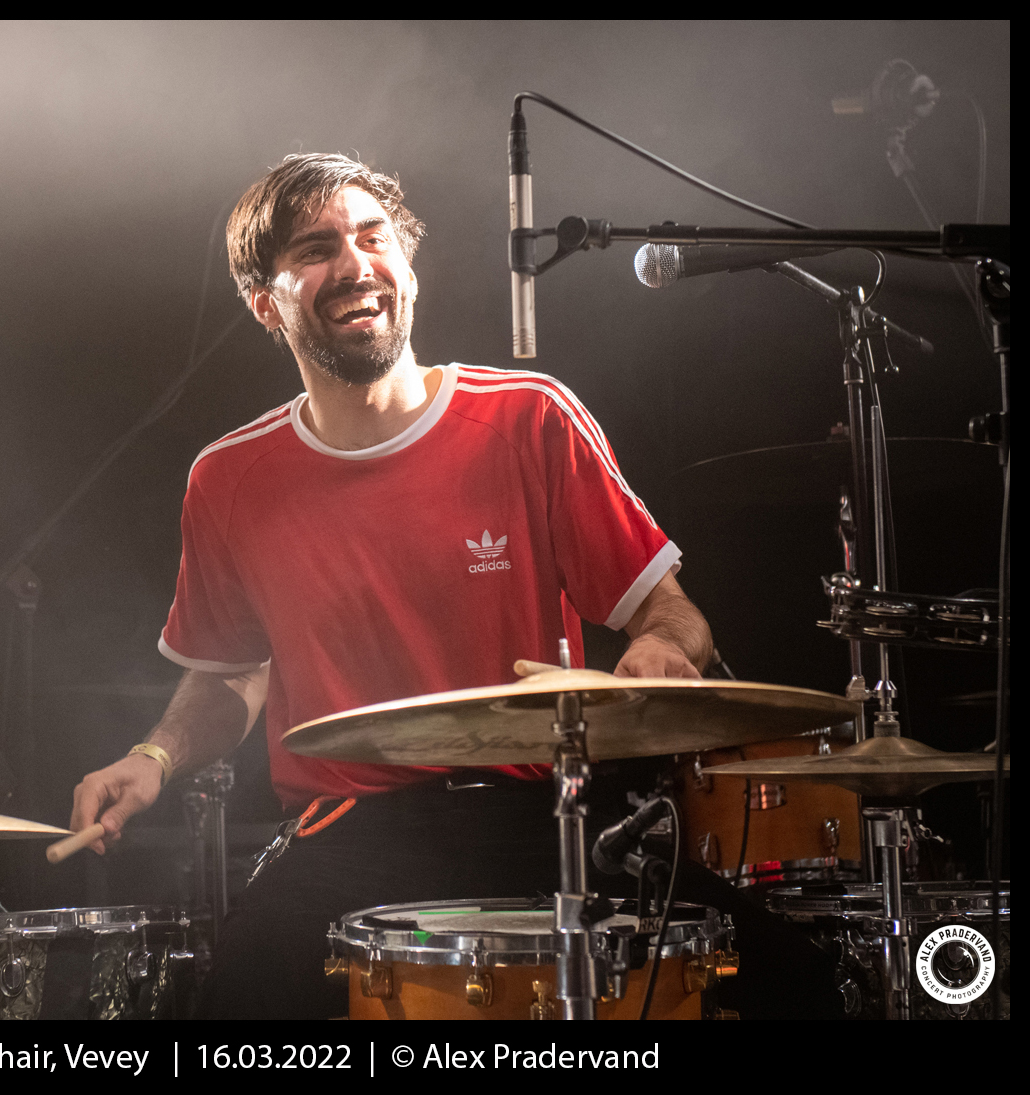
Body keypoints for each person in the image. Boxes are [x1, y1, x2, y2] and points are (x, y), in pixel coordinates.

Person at [70, 153, 716, 1018]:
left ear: (407, 267)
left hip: (547, 816)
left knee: (782, 974)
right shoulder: (228, 478)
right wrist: (152, 757)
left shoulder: (531, 417)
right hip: (351, 833)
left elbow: (669, 610)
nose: (355, 264)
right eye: (316, 250)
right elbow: (230, 674)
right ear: (265, 302)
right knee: (242, 997)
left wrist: (660, 648)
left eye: (373, 238)